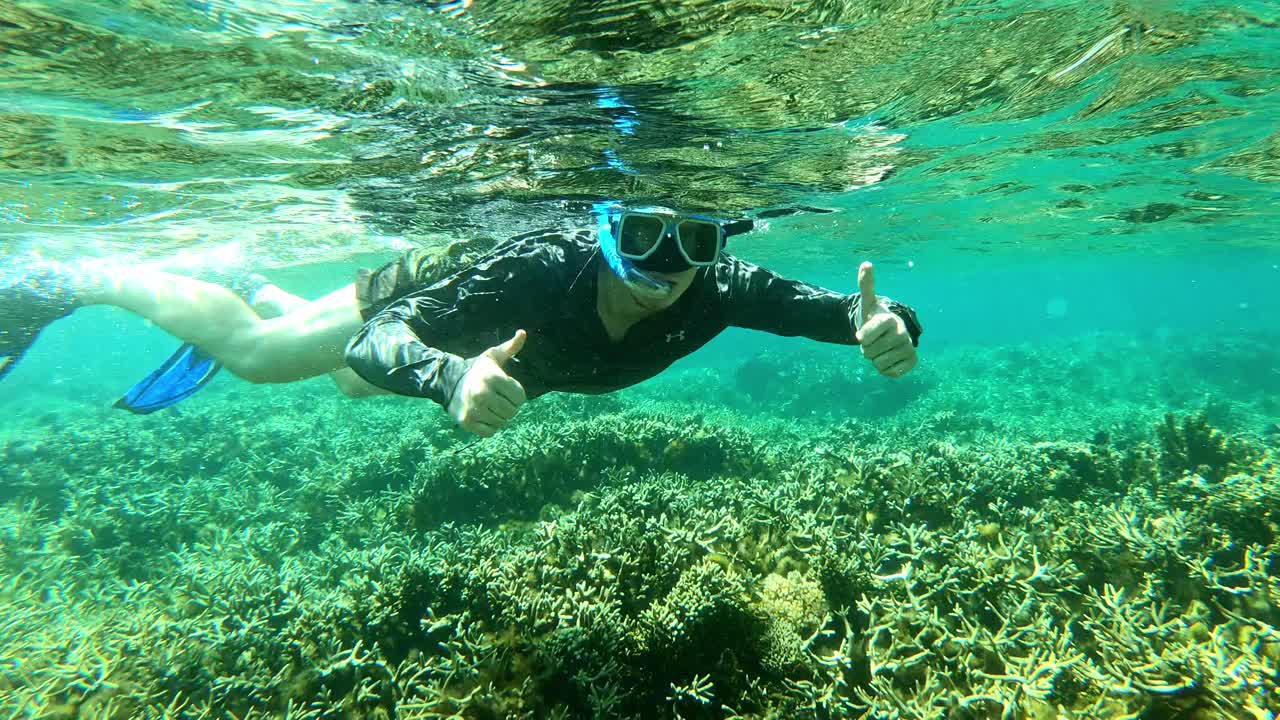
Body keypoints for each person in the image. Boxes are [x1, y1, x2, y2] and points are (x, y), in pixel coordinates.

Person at [0, 204, 921, 436]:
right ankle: (77, 278)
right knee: (256, 354)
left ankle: (272, 288)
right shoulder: (532, 273)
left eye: (696, 239)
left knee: (351, 390)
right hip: (436, 291)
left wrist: (892, 330)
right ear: (605, 231)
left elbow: (856, 313)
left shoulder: (724, 284)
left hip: (463, 355)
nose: (670, 271)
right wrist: (447, 375)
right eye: (643, 237)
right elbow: (384, 336)